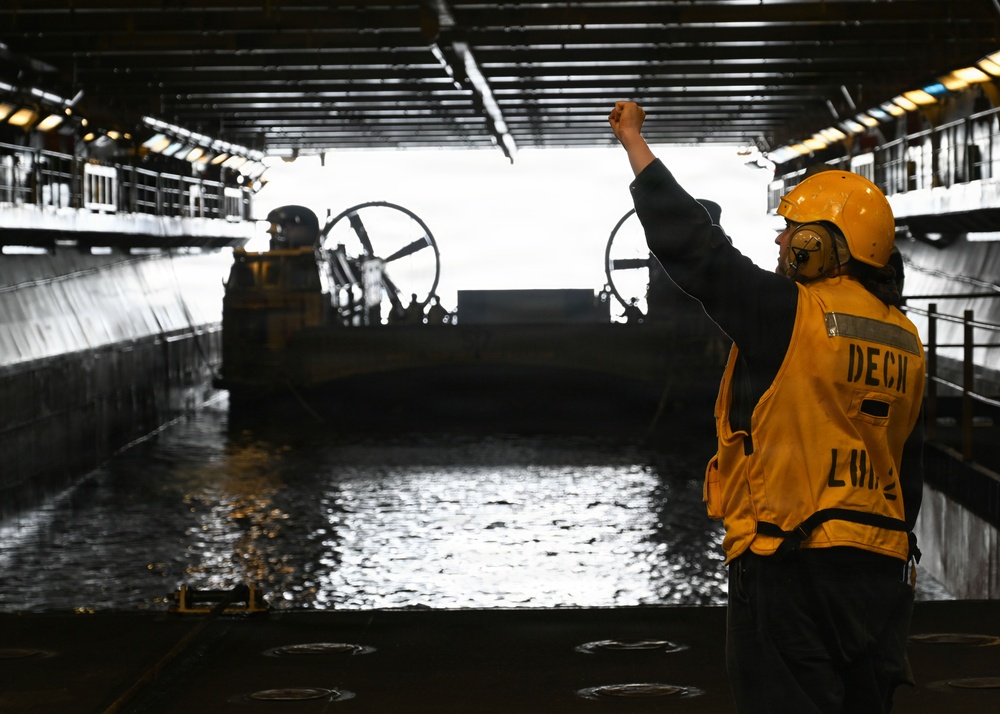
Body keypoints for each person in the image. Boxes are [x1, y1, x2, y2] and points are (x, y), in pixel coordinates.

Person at [609, 101, 925, 714]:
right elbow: (906, 469)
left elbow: (697, 251)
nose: (781, 240)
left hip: (792, 564)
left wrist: (635, 144)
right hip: (880, 573)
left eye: (792, 230)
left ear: (821, 243)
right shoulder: (906, 338)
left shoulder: (790, 313)